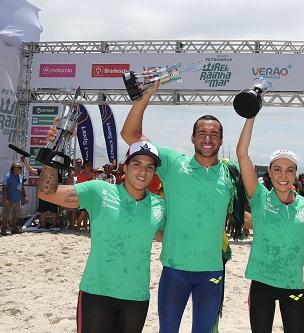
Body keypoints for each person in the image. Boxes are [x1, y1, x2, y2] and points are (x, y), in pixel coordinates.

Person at [121, 81, 243, 333]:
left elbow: (242, 212)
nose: (207, 139)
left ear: (221, 140)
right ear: (193, 137)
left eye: (213, 135)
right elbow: (130, 136)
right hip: (174, 269)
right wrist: (145, 97)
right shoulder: (174, 163)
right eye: (202, 134)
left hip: (211, 272)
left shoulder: (231, 173)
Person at [37, 140, 166, 333]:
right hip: (96, 293)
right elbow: (47, 194)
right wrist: (51, 162)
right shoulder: (99, 191)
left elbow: (171, 237)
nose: (143, 171)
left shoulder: (160, 206)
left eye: (149, 167)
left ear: (154, 172)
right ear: (125, 167)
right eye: (137, 164)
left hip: (137, 297)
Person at [236, 116, 304, 333]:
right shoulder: (259, 197)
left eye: (289, 170)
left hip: (293, 286)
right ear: (269, 173)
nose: (283, 175)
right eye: (277, 169)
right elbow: (242, 155)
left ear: (295, 174)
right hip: (262, 284)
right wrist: (251, 116)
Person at [1, 162, 27, 235]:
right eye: (16, 169)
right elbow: (4, 188)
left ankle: (14, 228)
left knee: (16, 215)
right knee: (5, 215)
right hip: (8, 199)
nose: (18, 171)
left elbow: (22, 187)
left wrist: (25, 196)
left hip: (17, 200)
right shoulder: (7, 176)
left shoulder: (20, 177)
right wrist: (5, 199)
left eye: (19, 169)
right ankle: (3, 230)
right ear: (12, 169)